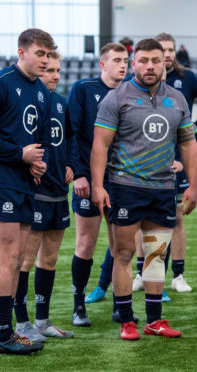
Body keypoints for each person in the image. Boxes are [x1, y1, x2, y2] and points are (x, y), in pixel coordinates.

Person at [90, 38, 197, 340]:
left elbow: (188, 144)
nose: (149, 66)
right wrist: (98, 186)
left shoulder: (177, 99)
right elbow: (100, 145)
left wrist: (193, 185)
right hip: (126, 187)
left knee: (155, 256)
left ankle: (154, 321)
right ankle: (127, 321)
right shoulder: (116, 97)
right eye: (143, 61)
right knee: (124, 253)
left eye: (156, 60)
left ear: (165, 62)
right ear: (133, 63)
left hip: (163, 188)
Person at [0, 28, 56, 354]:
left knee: (19, 258)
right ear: (22, 53)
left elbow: (39, 138)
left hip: (22, 184)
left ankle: (11, 331)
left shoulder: (42, 93)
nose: (45, 60)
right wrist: (20, 155)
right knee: (7, 258)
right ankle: (2, 334)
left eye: (49, 55)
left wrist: (37, 163)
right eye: (40, 54)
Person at [13, 51, 75, 342]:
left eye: (59, 70)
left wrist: (72, 164)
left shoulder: (61, 102)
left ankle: (42, 321)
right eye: (50, 70)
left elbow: (71, 137)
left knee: (49, 259)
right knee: (24, 261)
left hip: (59, 192)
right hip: (35, 192)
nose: (55, 76)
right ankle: (22, 323)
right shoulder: (28, 101)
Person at [68, 42, 128, 326]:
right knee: (86, 243)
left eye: (126, 60)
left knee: (120, 247)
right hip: (89, 181)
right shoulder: (83, 89)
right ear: (102, 64)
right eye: (117, 60)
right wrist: (80, 174)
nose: (123, 64)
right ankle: (78, 307)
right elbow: (73, 133)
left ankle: (120, 307)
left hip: (121, 182)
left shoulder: (132, 93)